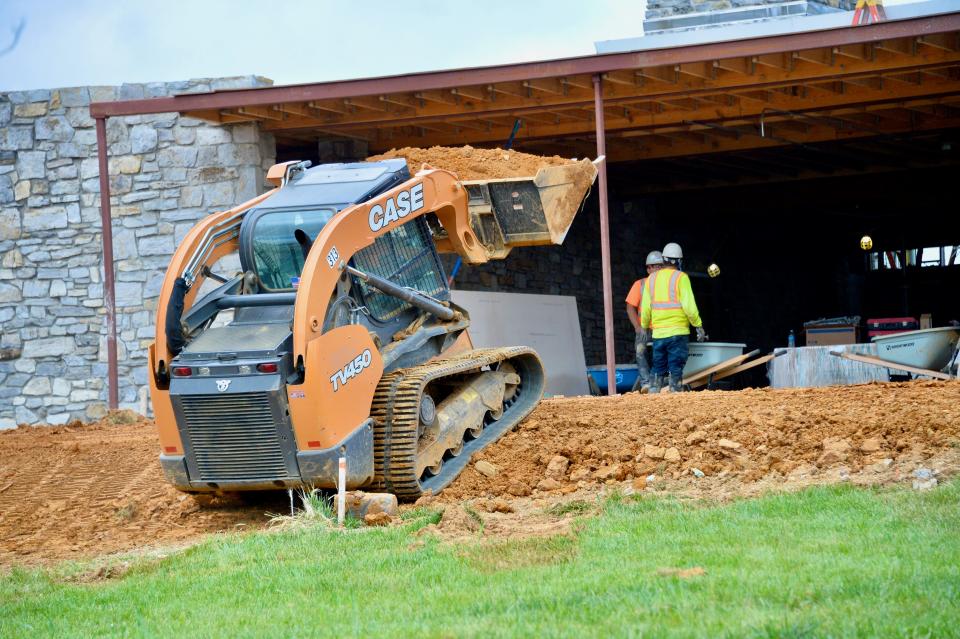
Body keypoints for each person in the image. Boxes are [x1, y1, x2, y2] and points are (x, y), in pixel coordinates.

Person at [639, 242, 707, 393]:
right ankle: (675, 392)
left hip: (658, 334)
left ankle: (654, 393)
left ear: (664, 259)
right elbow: (689, 306)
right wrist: (698, 325)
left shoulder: (651, 279)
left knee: (658, 366)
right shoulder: (681, 277)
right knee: (675, 368)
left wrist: (643, 327)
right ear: (678, 261)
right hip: (678, 332)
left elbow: (645, 307)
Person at [625, 250, 664, 393]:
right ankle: (646, 383)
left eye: (661, 266)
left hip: (662, 328)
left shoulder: (667, 285)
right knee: (640, 351)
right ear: (648, 269)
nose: (658, 269)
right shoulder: (640, 285)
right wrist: (637, 327)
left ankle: (658, 382)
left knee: (660, 354)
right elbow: (630, 308)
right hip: (644, 328)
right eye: (655, 266)